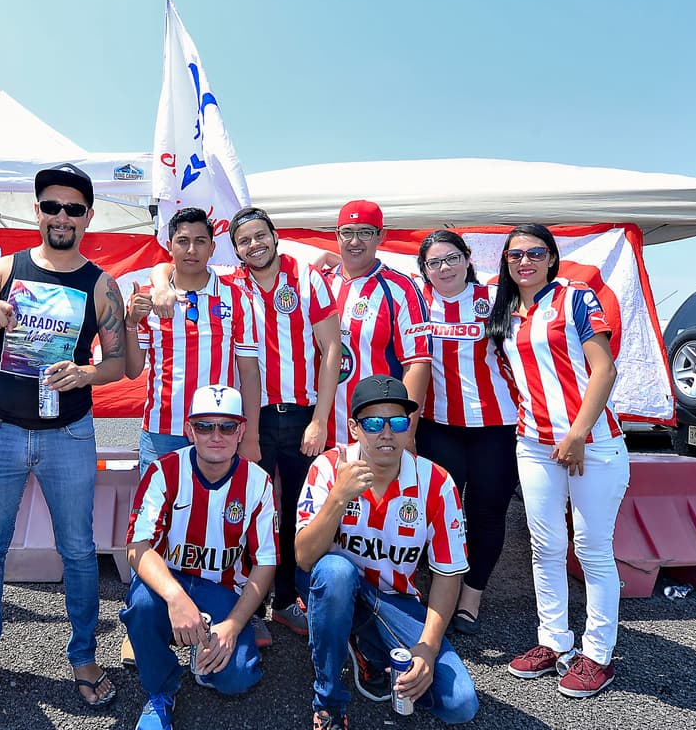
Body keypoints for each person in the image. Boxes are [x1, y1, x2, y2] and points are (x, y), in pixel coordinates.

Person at [0, 163, 128, 708]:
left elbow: (118, 363)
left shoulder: (101, 284)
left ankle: (84, 657)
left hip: (68, 433)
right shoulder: (6, 269)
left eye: (73, 208)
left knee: (78, 550)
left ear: (88, 217)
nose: (61, 217)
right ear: (37, 211)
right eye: (52, 206)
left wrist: (87, 374)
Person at [147, 206, 341, 636]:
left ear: (275, 235)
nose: (255, 245)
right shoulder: (231, 283)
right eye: (244, 240)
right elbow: (175, 263)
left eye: (260, 236)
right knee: (251, 511)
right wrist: (160, 281)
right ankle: (247, 607)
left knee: (296, 513)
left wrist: (321, 421)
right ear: (234, 250)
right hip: (249, 419)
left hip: (304, 416)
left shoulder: (308, 277)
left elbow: (332, 352)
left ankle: (288, 598)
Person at [295, 375, 478, 730]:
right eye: (374, 424)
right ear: (355, 427)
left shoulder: (435, 482)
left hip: (394, 600)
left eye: (397, 422)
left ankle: (368, 648)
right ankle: (328, 706)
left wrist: (427, 649)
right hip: (333, 587)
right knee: (336, 572)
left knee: (461, 705)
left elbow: (450, 573)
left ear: (409, 426)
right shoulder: (328, 466)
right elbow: (304, 557)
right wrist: (338, 498)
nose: (386, 434)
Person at [486, 223, 630, 699]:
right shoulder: (505, 309)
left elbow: (604, 368)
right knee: (545, 547)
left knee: (590, 548)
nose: (524, 261)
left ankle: (598, 653)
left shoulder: (576, 297)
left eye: (534, 252)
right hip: (533, 444)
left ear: (551, 256)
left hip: (593, 443)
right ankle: (554, 641)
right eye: (514, 255)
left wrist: (578, 433)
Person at [120, 384, 278, 730]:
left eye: (226, 426)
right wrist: (176, 598)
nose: (216, 436)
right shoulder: (163, 471)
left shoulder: (258, 482)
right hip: (170, 582)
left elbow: (265, 563)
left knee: (237, 680)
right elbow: (137, 547)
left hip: (222, 590)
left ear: (242, 431)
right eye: (205, 426)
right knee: (143, 604)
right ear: (189, 430)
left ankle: (207, 642)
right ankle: (160, 691)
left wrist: (234, 626)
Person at [413, 230, 518, 635]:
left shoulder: (495, 298)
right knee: (439, 514)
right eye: (434, 263)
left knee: (487, 512)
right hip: (439, 427)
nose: (444, 268)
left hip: (497, 427)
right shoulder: (416, 301)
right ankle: (438, 587)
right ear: (423, 270)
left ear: (467, 257)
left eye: (451, 258)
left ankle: (471, 595)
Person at [125, 206, 262, 475]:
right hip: (161, 432)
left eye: (200, 242)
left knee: (214, 514)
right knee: (157, 515)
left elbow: (249, 373)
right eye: (183, 241)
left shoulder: (236, 298)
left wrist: (250, 435)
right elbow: (132, 371)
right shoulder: (147, 298)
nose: (191, 250)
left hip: (218, 430)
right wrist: (130, 323)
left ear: (212, 248)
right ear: (169, 246)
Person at [322, 200, 431, 449]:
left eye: (365, 232)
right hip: (320, 433)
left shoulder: (401, 288)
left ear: (381, 235)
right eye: (347, 232)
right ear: (336, 235)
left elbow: (417, 363)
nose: (354, 241)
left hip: (379, 435)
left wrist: (406, 432)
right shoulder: (319, 282)